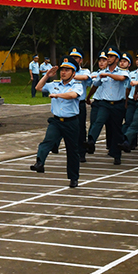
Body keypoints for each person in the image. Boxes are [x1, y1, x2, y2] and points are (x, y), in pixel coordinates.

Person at [30, 56, 82, 187]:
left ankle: (73, 177)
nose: (63, 72)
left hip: (71, 122)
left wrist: (57, 95)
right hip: (57, 121)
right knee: (47, 141)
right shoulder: (54, 84)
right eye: (62, 70)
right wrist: (47, 75)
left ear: (73, 73)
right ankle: (40, 163)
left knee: (72, 150)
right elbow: (38, 87)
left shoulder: (77, 85)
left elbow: (73, 95)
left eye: (67, 70)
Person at [85, 46, 130, 165]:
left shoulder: (122, 71)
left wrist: (109, 75)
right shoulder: (102, 72)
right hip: (104, 103)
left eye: (111, 57)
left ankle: (116, 154)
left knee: (116, 129)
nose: (108, 58)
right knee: (98, 121)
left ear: (117, 59)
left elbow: (121, 78)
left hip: (117, 104)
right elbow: (95, 85)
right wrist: (88, 96)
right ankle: (91, 140)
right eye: (108, 56)